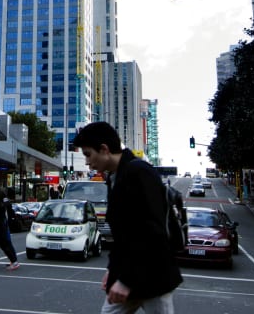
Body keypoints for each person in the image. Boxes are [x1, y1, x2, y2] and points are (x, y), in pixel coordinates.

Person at [73, 121, 181, 313]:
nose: (88, 162)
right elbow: (123, 236)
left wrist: (126, 280)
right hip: (130, 274)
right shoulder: (114, 178)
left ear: (104, 149)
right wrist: (112, 270)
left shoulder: (139, 172)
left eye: (88, 154)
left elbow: (152, 232)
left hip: (153, 273)